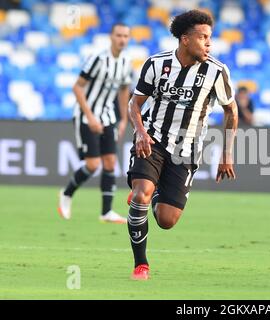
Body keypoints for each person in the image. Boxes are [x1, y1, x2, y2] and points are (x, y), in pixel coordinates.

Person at [126, 9, 238, 280]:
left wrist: (227, 155)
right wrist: (140, 131)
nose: (209, 43)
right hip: (151, 141)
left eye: (210, 37)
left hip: (186, 149)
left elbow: (231, 111)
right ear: (185, 39)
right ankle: (141, 265)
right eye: (203, 37)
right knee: (140, 194)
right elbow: (135, 103)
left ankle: (154, 195)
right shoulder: (155, 64)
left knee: (166, 220)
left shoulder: (216, 71)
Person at [58, 23, 133, 224]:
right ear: (111, 37)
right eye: (119, 35)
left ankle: (106, 212)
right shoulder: (98, 59)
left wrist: (124, 119)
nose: (122, 39)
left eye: (126, 36)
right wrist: (90, 116)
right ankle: (66, 194)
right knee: (93, 164)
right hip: (86, 115)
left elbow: (124, 90)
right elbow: (77, 87)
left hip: (108, 117)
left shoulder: (126, 62)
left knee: (110, 163)